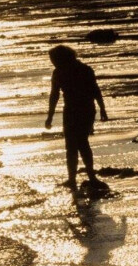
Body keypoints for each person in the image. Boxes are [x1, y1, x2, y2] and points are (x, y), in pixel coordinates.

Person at [45, 45, 110, 196]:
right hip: (70, 111)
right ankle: (72, 179)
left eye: (54, 60)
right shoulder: (58, 72)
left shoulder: (84, 70)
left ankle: (91, 177)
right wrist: (50, 116)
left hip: (86, 110)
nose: (53, 63)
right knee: (71, 145)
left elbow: (95, 90)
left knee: (81, 142)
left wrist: (103, 109)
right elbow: (54, 95)